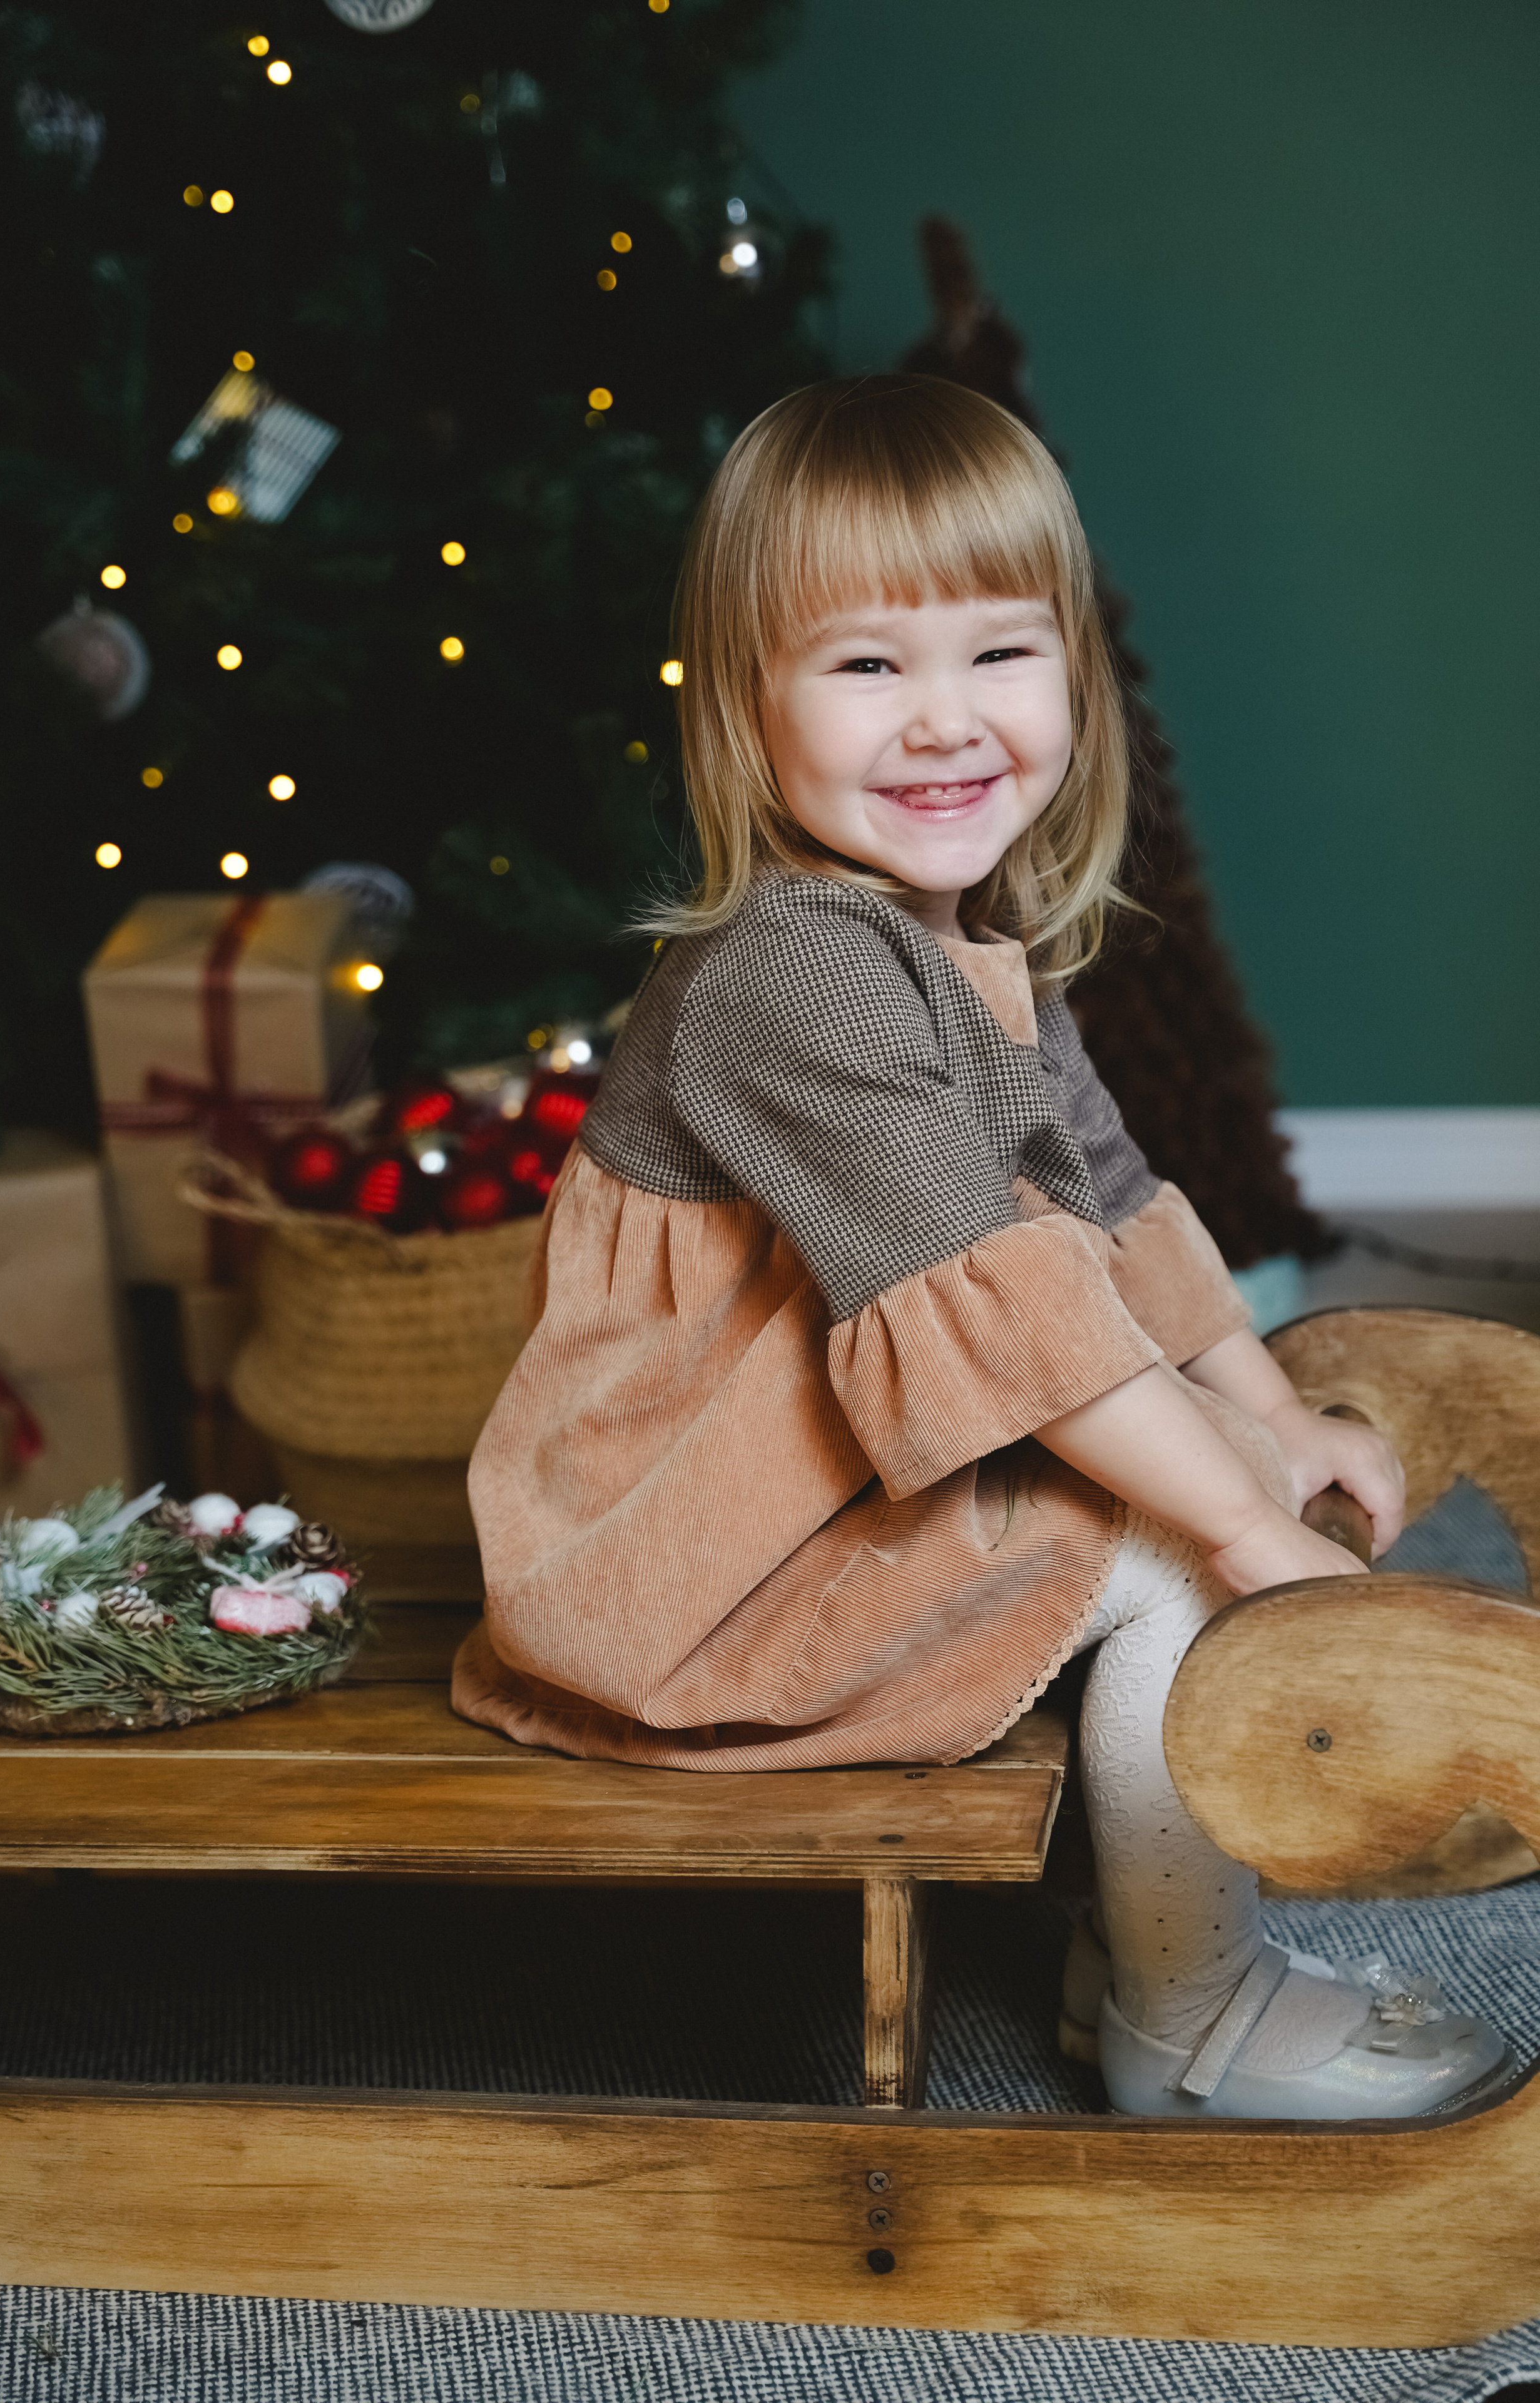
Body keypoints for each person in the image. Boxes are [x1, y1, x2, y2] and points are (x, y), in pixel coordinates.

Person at [453, 374, 1508, 2118]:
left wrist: (1274, 1412)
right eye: (868, 667)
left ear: (1074, 681)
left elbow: (1101, 1203)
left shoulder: (969, 933)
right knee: (1169, 1551)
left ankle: (1138, 1931)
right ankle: (1197, 2013)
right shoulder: (788, 974)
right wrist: (1244, 1520)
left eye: (998, 656)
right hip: (678, 1549)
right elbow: (1005, 1315)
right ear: (748, 704)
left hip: (810, 1470)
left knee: (1207, 1471)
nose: (944, 722)